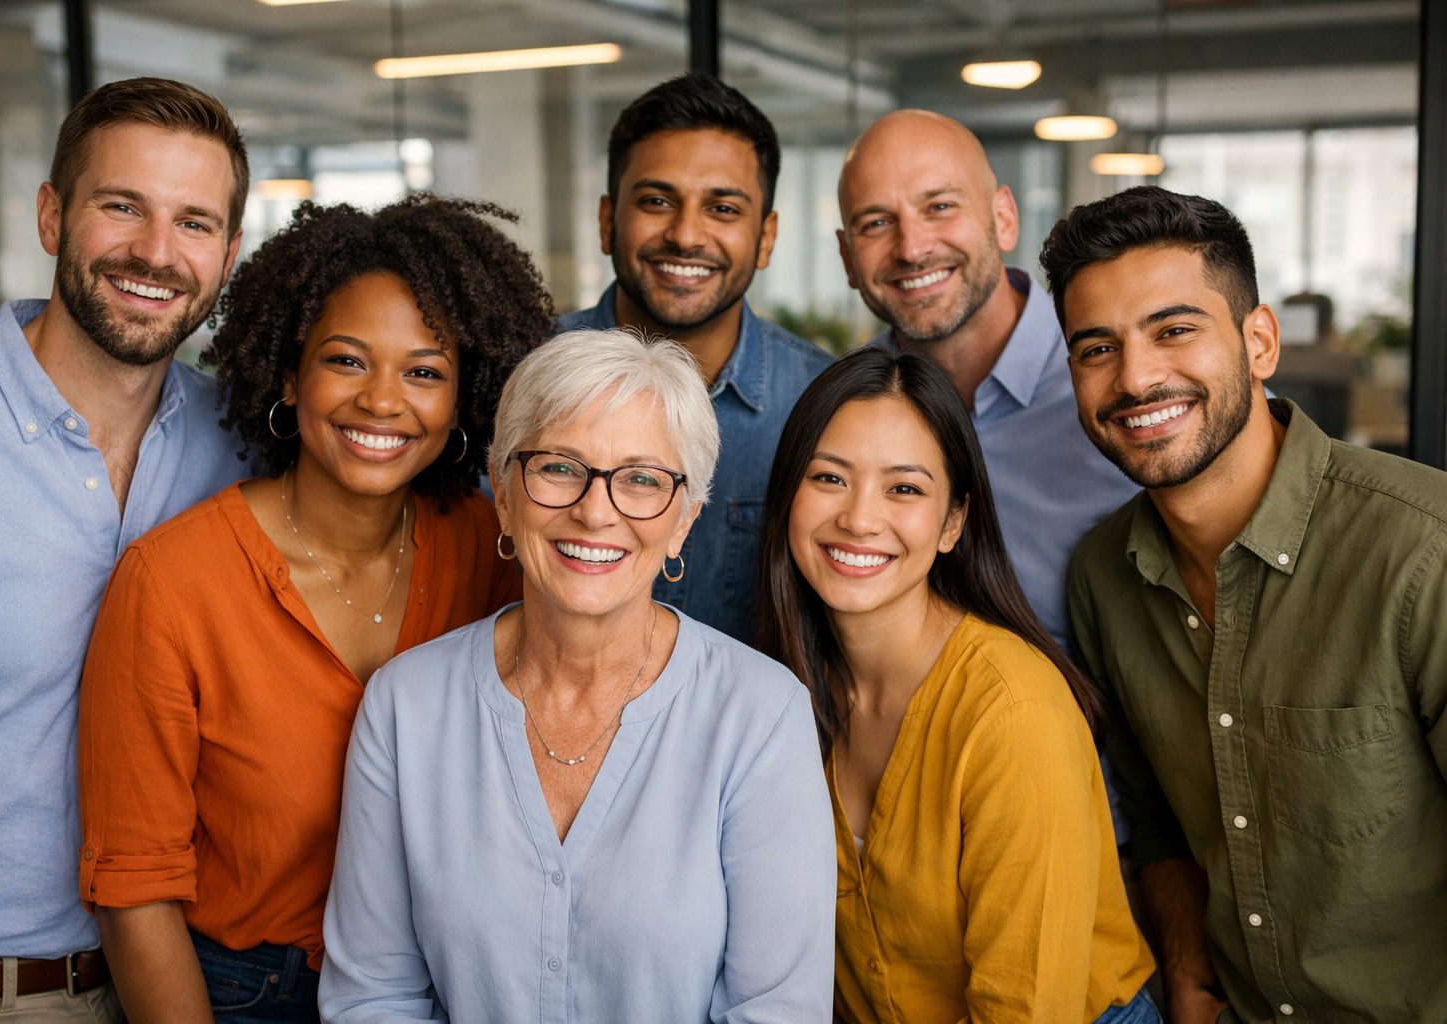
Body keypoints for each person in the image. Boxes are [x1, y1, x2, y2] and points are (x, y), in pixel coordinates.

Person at [76, 195, 547, 1024]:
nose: (382, 401)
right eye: (347, 360)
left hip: (446, 979)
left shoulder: (492, 547)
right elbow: (134, 884)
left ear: (464, 397)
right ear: (289, 375)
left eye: (425, 371)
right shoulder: (172, 581)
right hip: (240, 993)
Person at [318, 328, 836, 1023]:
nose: (596, 511)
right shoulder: (405, 708)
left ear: (684, 521)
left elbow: (778, 1013)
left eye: (643, 479)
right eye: (560, 467)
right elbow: (372, 999)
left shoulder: (762, 715)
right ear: (503, 493)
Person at [1048, 187, 1447, 1023]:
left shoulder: (1423, 548)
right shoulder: (1100, 577)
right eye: (1096, 348)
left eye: (1174, 329)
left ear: (1258, 340)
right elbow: (1152, 815)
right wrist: (1187, 957)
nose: (1137, 376)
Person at [0, 78, 250, 1021]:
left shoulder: (240, 452)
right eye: (122, 207)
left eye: (195, 223)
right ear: (52, 215)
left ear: (228, 252)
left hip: (178, 980)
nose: (156, 253)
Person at [754, 347, 1157, 1024]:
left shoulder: (1014, 712)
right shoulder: (785, 692)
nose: (858, 518)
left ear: (952, 523)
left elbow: (1023, 1012)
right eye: (829, 477)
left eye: (904, 488)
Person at [836, 109, 1140, 652]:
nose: (911, 247)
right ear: (847, 257)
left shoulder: (1129, 380)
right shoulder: (840, 409)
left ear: (1004, 217)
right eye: (876, 223)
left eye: (940, 207)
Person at [558, 72, 833, 642]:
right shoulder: (516, 376)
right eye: (657, 201)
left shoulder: (825, 404)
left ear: (766, 237)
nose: (685, 235)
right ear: (608, 221)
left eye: (723, 209)